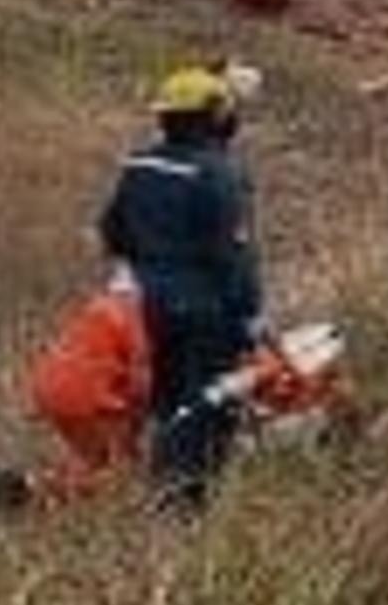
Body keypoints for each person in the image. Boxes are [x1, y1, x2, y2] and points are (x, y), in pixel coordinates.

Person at [97, 64, 264, 507]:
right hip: (205, 308)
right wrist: (251, 314)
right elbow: (234, 256)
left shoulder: (139, 164)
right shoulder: (220, 173)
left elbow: (112, 232)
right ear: (213, 117)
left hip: (144, 304)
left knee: (166, 398)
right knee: (212, 400)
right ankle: (184, 501)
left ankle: (163, 480)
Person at [0, 269, 154, 512]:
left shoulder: (101, 307)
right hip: (86, 395)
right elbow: (142, 379)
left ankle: (25, 490)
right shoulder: (135, 315)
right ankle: (30, 491)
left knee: (95, 461)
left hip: (51, 390)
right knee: (123, 472)